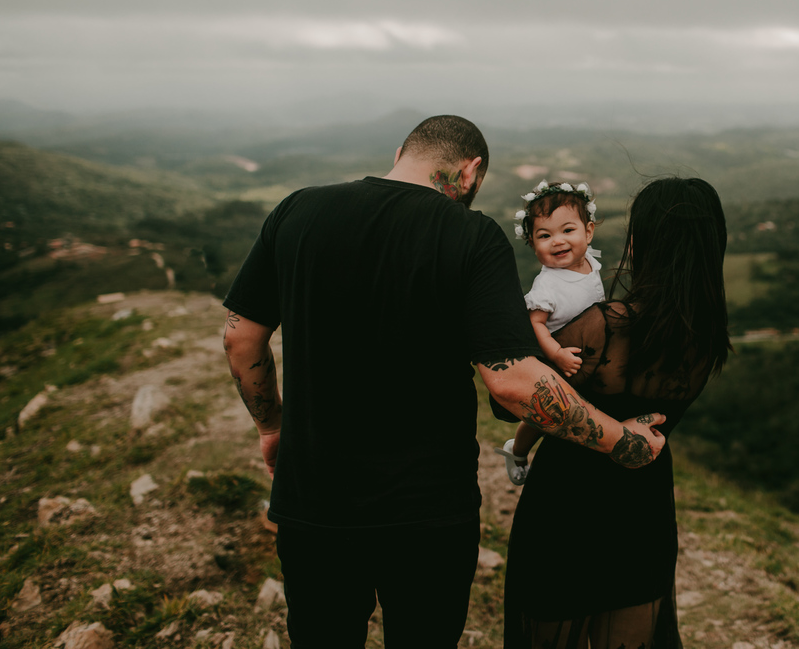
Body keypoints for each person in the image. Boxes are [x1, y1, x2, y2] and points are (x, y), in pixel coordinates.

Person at [220, 115, 667, 648]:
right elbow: (513, 383)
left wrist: (272, 427)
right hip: (427, 511)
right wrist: (623, 441)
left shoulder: (297, 210)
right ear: (471, 171)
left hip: (312, 502)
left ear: (401, 153)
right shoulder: (470, 234)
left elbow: (241, 339)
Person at [496, 177, 733, 649]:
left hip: (567, 504)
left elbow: (513, 402)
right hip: (643, 505)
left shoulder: (605, 325)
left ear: (640, 241)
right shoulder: (706, 336)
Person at [496, 179, 605, 485]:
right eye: (545, 235)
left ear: (589, 232)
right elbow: (535, 324)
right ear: (532, 244)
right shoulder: (548, 285)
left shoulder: (589, 265)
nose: (557, 241)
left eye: (567, 230)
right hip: (554, 358)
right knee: (543, 417)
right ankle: (516, 450)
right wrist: (556, 354)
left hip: (584, 355)